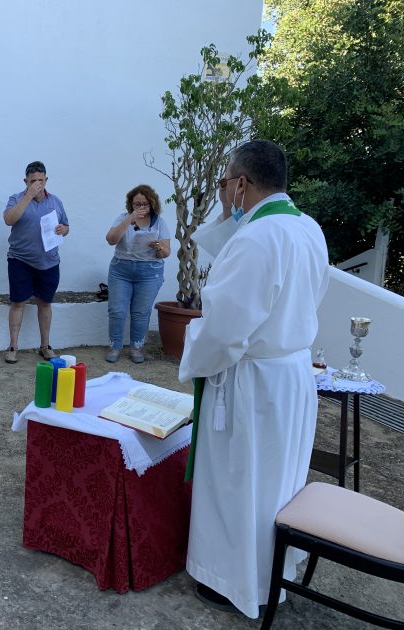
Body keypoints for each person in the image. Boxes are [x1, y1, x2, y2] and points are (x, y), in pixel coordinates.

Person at [178, 140, 330, 618]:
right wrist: (228, 209)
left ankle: (232, 581)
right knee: (277, 480)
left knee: (238, 481)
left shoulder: (257, 238)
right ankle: (270, 572)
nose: (226, 191)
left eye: (227, 182)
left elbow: (224, 328)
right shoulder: (307, 228)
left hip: (251, 384)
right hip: (290, 375)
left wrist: (192, 347)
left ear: (242, 183)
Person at [2, 161, 69, 364]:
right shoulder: (16, 198)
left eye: (41, 180)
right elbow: (9, 219)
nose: (37, 184)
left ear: (46, 180)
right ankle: (13, 347)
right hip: (20, 260)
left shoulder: (56, 201)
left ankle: (45, 346)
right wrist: (29, 196)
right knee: (18, 303)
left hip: (49, 261)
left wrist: (62, 230)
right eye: (33, 181)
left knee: (45, 304)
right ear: (26, 181)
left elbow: (66, 225)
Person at [104, 184, 171, 364]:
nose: (140, 208)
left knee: (141, 312)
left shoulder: (159, 222)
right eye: (136, 204)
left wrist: (159, 248)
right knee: (117, 310)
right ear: (130, 205)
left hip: (149, 271)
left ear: (152, 204)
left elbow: (166, 252)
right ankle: (115, 346)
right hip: (121, 269)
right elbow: (111, 240)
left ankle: (137, 347)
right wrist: (129, 220)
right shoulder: (122, 218)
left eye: (144, 204)